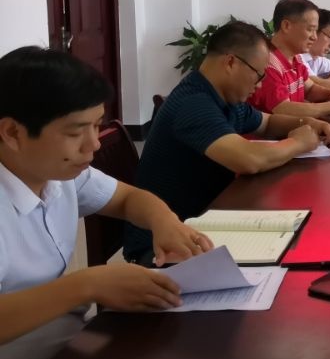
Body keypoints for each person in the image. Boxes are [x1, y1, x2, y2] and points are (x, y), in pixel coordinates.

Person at [0, 46, 212, 357]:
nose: (94, 144)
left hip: (69, 337)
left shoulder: (59, 174)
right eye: (75, 133)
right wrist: (87, 285)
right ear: (12, 132)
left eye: (97, 125)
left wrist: (164, 221)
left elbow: (127, 198)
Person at [123, 20, 323, 264]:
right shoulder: (193, 103)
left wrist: (306, 122)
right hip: (163, 245)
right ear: (230, 62)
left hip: (206, 221)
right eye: (258, 75)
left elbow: (267, 122)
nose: (260, 84)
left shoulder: (225, 98)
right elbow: (248, 159)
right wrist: (300, 143)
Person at [248, 0, 330, 118]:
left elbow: (310, 89)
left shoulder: (296, 58)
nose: (314, 37)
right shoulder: (267, 62)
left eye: (316, 31)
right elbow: (283, 109)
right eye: (310, 29)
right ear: (286, 26)